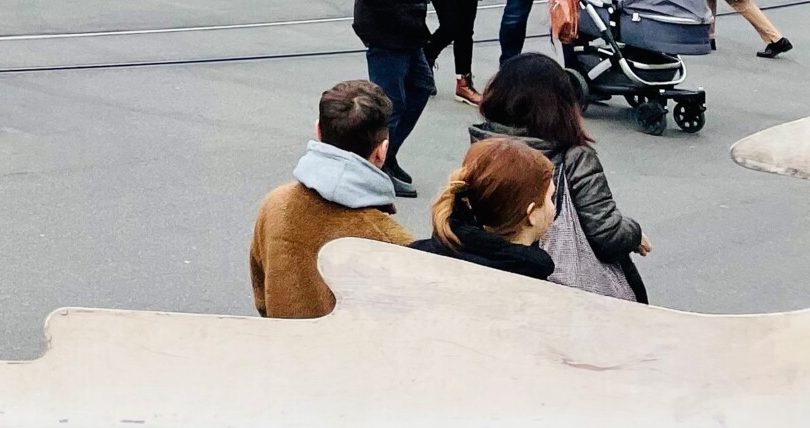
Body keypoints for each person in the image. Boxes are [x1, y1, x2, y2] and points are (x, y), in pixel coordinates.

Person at [471, 53, 648, 300]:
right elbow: (606, 234)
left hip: (488, 279)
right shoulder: (573, 158)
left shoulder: (482, 148)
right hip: (556, 289)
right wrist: (634, 233)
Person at [247, 79, 414, 317]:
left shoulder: (275, 204)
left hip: (282, 346)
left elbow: (261, 292)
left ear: (318, 130)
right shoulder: (393, 241)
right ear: (382, 150)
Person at [351, 0, 437, 195]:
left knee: (420, 86)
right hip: (388, 32)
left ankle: (389, 154)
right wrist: (411, 21)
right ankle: (376, 166)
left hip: (404, 31)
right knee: (391, 104)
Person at [411, 135, 557, 280]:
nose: (553, 207)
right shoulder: (538, 289)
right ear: (531, 213)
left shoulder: (414, 256)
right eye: (550, 198)